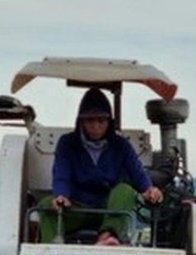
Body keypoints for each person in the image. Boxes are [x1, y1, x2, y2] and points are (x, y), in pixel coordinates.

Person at [42, 87, 163, 245]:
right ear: (81, 121)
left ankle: (107, 236)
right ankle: (51, 250)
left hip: (108, 209)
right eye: (90, 120)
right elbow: (61, 173)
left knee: (125, 191)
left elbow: (137, 172)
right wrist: (61, 195)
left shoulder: (121, 145)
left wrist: (149, 189)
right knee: (45, 205)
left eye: (101, 121)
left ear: (109, 122)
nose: (96, 126)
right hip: (76, 207)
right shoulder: (67, 143)